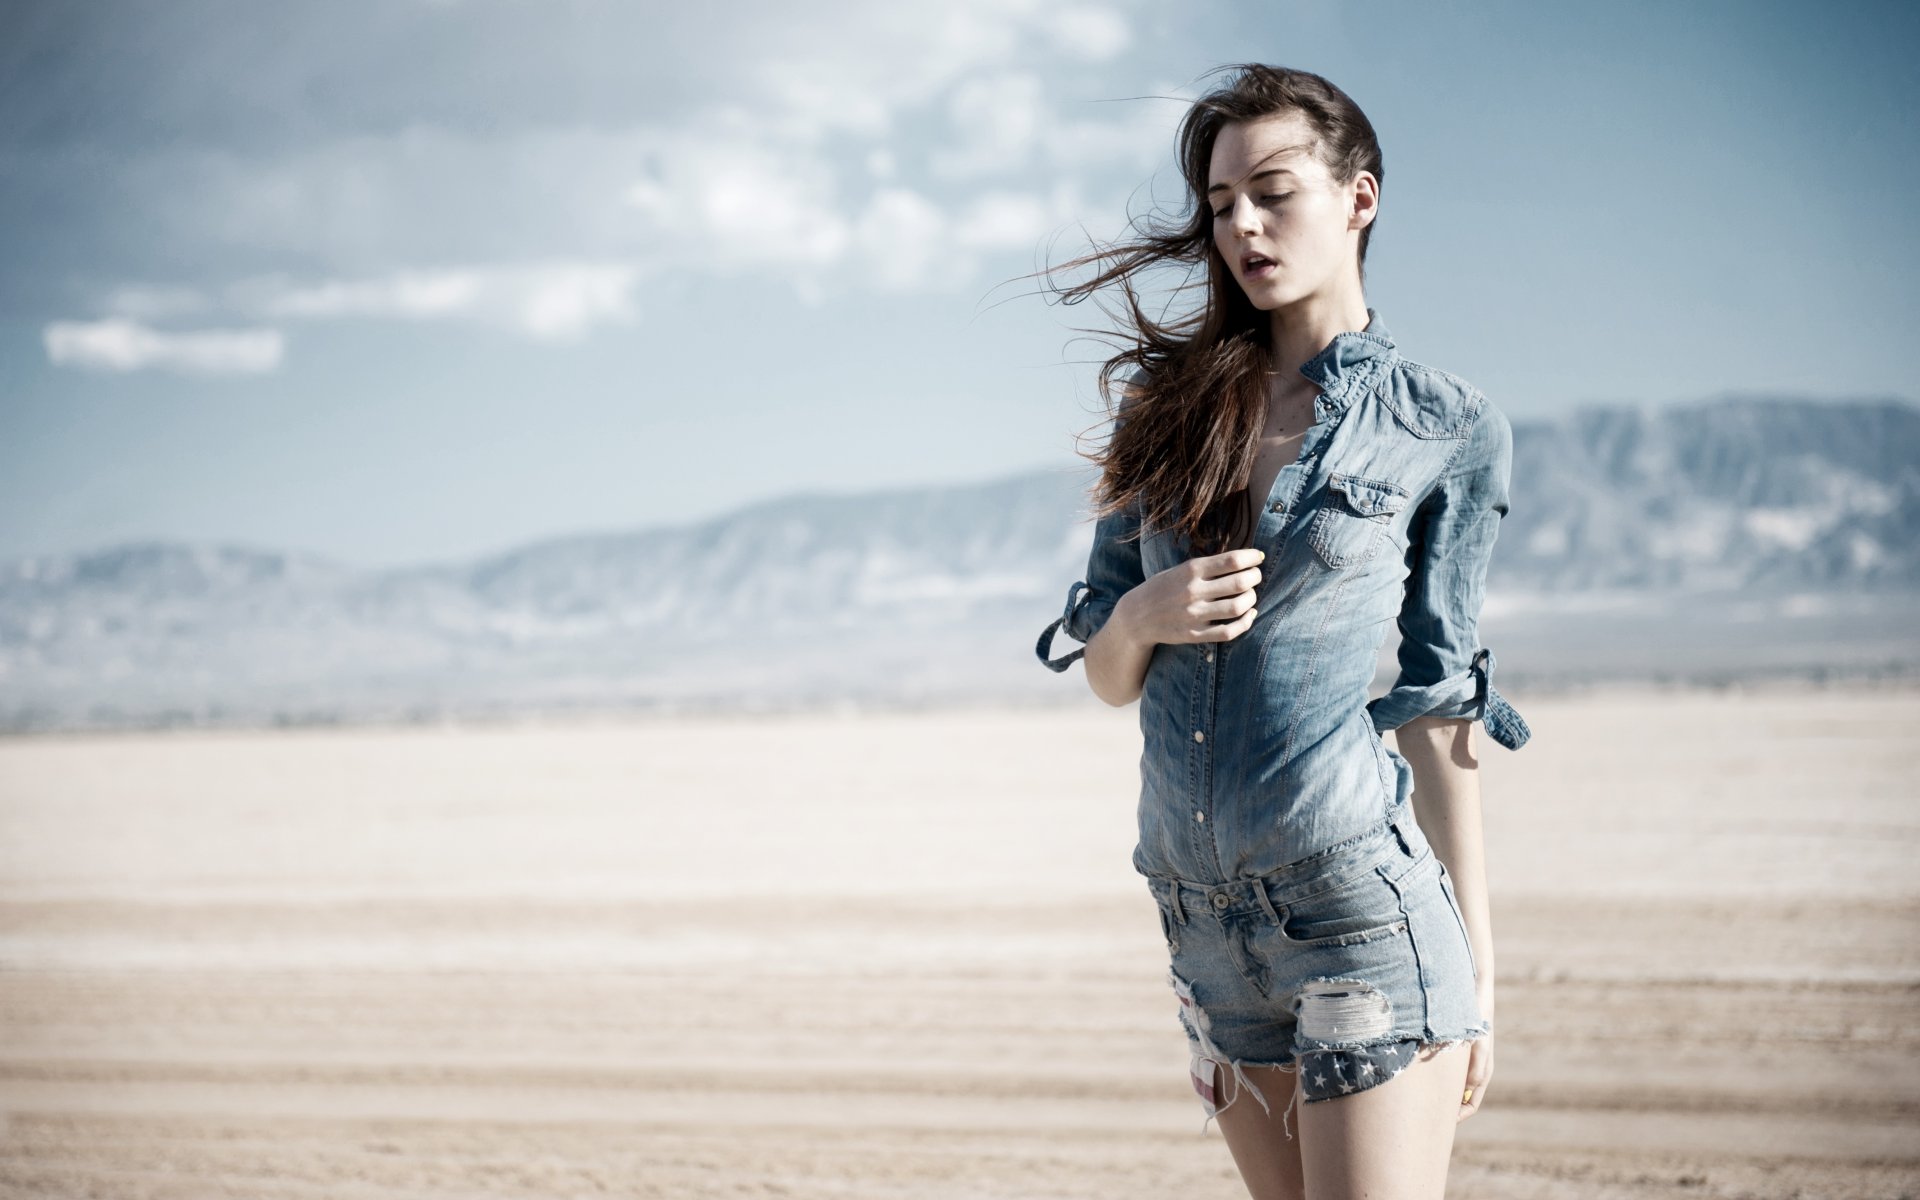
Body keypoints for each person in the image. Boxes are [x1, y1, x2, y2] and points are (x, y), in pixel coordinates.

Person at [1032, 64, 1532, 1199]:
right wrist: (1146, 615)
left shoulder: (1444, 425)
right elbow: (1110, 675)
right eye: (1219, 204)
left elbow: (1438, 701)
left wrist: (1480, 978)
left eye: (1274, 190)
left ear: (1359, 199)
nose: (1243, 226)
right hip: (1202, 929)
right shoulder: (1167, 410)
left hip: (1356, 915)